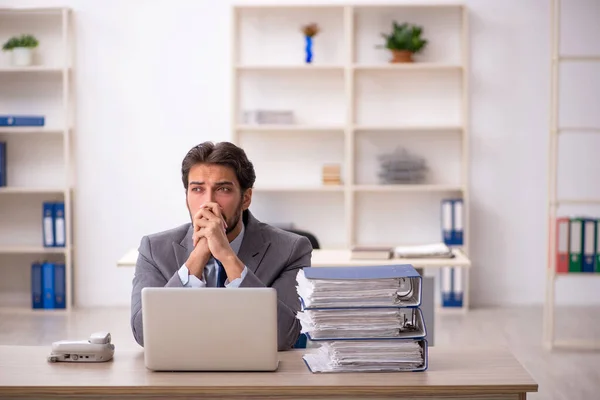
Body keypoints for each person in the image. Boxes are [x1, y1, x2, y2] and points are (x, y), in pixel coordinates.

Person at [130, 141, 313, 351]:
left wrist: (227, 256)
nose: (208, 202)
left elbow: (284, 337)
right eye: (197, 189)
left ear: (246, 198)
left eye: (223, 189)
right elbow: (144, 334)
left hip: (256, 376)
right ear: (186, 197)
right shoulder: (153, 249)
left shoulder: (291, 249)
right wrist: (197, 257)